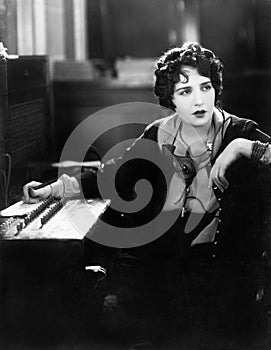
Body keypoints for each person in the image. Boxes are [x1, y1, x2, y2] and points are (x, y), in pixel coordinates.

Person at [23, 42, 271, 348]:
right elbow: (112, 176)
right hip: (167, 278)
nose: (199, 100)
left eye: (205, 87)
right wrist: (54, 188)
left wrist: (245, 147)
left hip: (228, 282)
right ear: (171, 99)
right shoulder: (159, 134)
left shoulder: (239, 132)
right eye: (185, 92)